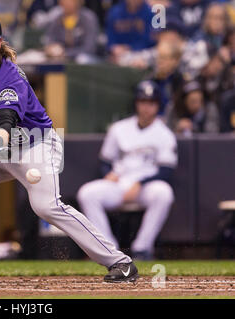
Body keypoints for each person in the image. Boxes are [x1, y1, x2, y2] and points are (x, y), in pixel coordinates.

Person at [0, 12, 139, 283]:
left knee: (46, 206)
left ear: (0, 44)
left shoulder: (10, 75)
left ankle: (120, 262)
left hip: (36, 146)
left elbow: (6, 120)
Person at [76, 80, 177, 261]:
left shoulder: (164, 134)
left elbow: (166, 170)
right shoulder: (119, 128)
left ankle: (142, 248)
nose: (146, 107)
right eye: (143, 102)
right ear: (136, 103)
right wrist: (108, 173)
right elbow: (105, 160)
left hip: (147, 185)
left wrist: (140, 184)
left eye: (151, 103)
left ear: (157, 105)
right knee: (87, 193)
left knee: (164, 193)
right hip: (120, 183)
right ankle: (108, 249)